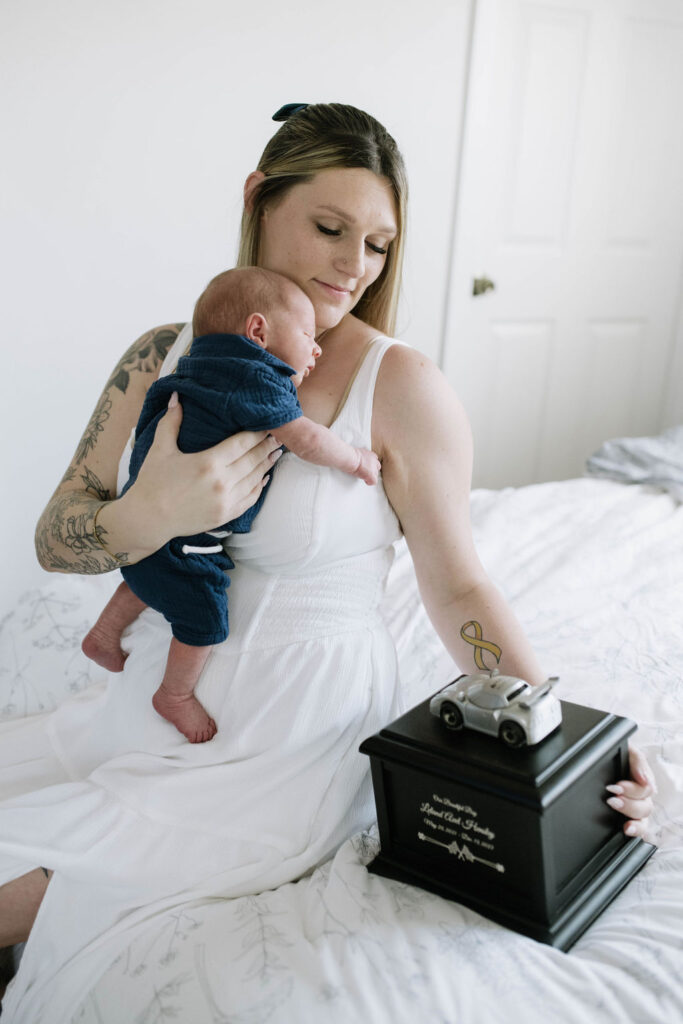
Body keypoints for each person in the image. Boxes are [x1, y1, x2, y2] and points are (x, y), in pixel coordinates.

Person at [0, 102, 654, 1020]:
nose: (353, 266)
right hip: (151, 698)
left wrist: (569, 742)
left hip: (292, 734)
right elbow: (54, 533)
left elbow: (457, 581)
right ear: (259, 201)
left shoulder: (402, 386)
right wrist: (147, 514)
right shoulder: (162, 356)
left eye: (379, 245)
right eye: (329, 228)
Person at [83, 265, 381, 743]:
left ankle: (103, 634)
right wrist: (355, 459)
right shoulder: (253, 377)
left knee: (148, 572)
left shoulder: (195, 366)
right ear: (258, 331)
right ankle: (174, 694)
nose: (317, 348)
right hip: (188, 539)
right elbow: (305, 439)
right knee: (203, 615)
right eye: (308, 334)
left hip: (143, 533)